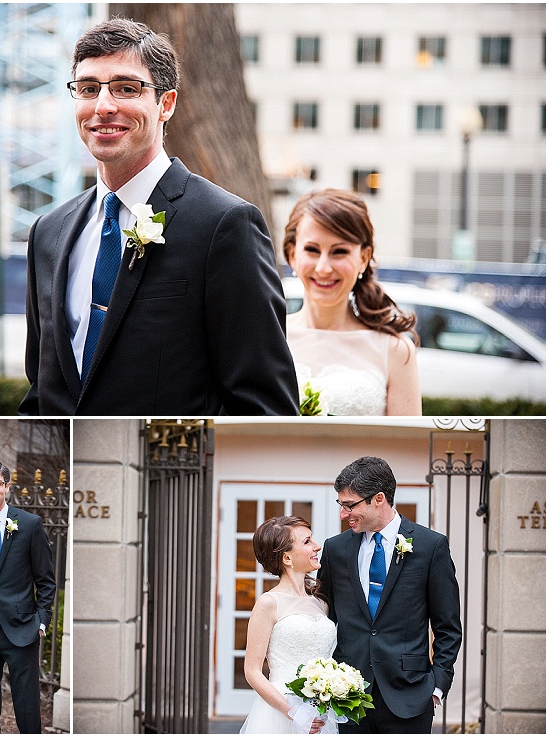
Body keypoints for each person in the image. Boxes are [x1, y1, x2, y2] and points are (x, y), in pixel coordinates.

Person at [20, 18, 298, 416]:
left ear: (166, 104)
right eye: (88, 89)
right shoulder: (48, 231)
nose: (103, 106)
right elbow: (41, 389)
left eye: (126, 88)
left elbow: (265, 404)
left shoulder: (226, 225)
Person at [317, 457, 462, 733]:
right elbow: (325, 618)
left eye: (350, 505)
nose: (343, 514)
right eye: (341, 505)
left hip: (411, 698)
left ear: (379, 498)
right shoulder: (335, 550)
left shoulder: (431, 546)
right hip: (347, 699)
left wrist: (437, 687)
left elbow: (448, 627)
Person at [283, 189, 421, 415]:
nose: (323, 268)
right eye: (312, 250)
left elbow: (410, 443)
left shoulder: (395, 350)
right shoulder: (269, 340)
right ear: (292, 255)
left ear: (364, 258)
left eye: (339, 252)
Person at [0, 460, 57, 733]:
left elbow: (46, 579)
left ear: (6, 486)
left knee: (27, 707)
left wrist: (42, 621)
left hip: (22, 629)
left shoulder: (29, 524)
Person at [239, 516, 332, 735]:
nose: (317, 546)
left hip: (321, 711)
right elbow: (252, 671)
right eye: (307, 542)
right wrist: (294, 713)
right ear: (287, 558)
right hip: (280, 711)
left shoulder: (321, 603)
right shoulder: (269, 603)